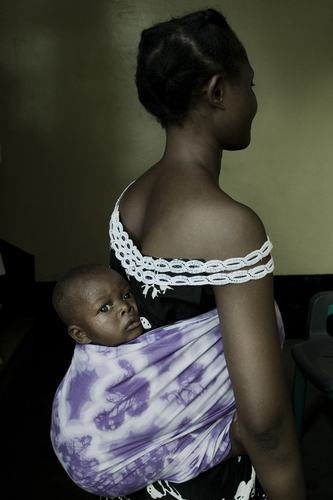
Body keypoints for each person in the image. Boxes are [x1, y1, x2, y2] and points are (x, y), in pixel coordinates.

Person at [51, 8, 306, 500]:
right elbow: (266, 425)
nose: (254, 101)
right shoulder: (230, 226)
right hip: (206, 480)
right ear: (217, 91)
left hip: (145, 479)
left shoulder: (131, 199)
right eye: (249, 86)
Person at [52, 264, 143, 346]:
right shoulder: (94, 364)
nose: (124, 307)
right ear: (81, 334)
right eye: (104, 309)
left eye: (127, 295)